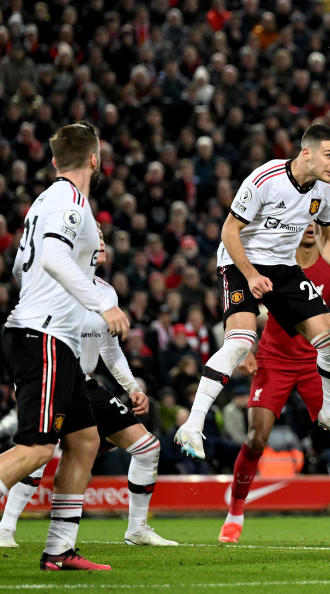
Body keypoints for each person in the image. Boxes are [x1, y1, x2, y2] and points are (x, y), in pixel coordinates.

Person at [174, 124, 330, 461]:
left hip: (282, 266)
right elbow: (229, 231)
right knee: (241, 342)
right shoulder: (266, 178)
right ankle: (192, 424)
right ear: (307, 153)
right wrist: (250, 274)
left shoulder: (327, 190)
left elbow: (326, 236)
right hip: (239, 259)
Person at [0, 122, 130, 570]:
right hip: (45, 337)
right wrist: (100, 302)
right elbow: (52, 257)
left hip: (54, 338)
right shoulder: (70, 202)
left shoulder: (44, 203)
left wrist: (82, 261)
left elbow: (23, 267)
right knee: (36, 448)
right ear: (95, 159)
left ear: (55, 160)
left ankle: (60, 548)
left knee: (84, 440)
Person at [219, 225, 330, 544]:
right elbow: (242, 304)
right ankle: (234, 517)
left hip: (316, 363)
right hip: (274, 359)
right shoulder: (274, 261)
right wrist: (242, 348)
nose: (310, 226)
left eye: (315, 220)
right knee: (256, 437)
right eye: (303, 219)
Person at [0, 277, 176, 548]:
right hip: (51, 376)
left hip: (85, 383)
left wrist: (132, 387)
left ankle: (137, 529)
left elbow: (110, 348)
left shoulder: (107, 292)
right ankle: (6, 528)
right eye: (95, 234)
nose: (100, 241)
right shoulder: (53, 281)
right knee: (38, 451)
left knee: (147, 448)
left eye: (102, 236)